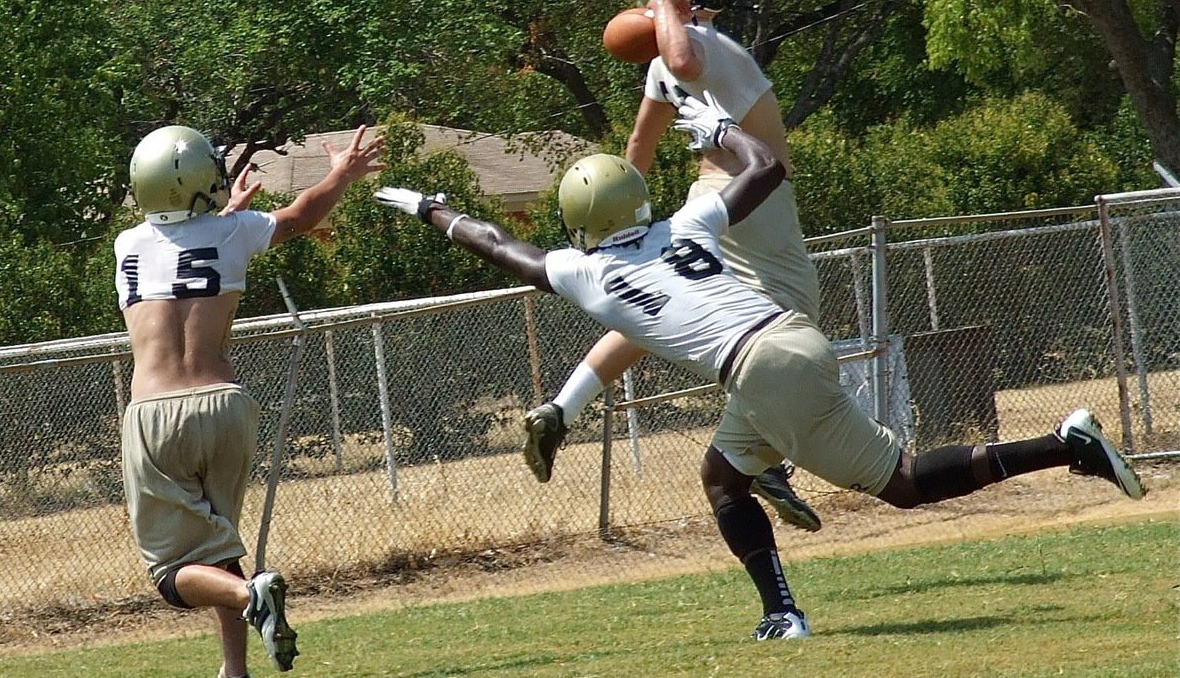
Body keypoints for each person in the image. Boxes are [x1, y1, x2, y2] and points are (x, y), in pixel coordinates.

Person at [375, 94, 1146, 641]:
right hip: (789, 337)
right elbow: (766, 167)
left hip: (759, 369)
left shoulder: (588, 275)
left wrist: (430, 208)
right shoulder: (685, 223)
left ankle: (1062, 446)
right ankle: (782, 597)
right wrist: (718, 128)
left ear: (583, 224)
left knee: (905, 484)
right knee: (721, 476)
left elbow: (498, 247)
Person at [522, 0, 822, 533]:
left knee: (656, 307)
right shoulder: (696, 44)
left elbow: (641, 144)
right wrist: (666, 8)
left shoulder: (664, 61)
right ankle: (760, 453)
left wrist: (633, 203)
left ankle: (563, 406)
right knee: (793, 325)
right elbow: (684, 63)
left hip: (709, 196)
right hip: (751, 201)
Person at [116, 122, 384, 678]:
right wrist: (341, 172)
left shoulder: (127, 244)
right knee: (220, 545)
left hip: (154, 409)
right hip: (226, 405)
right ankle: (235, 673)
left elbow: (178, 252)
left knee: (170, 573)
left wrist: (222, 219)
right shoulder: (234, 230)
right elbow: (302, 216)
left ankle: (249, 594)